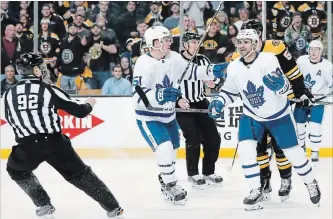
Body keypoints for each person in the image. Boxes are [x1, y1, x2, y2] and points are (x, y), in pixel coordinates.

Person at [208, 29, 321, 211]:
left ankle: (310, 182)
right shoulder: (234, 66)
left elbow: (283, 86)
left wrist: (284, 87)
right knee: (245, 150)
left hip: (279, 115)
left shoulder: (268, 59)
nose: (242, 46)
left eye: (246, 42)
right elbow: (229, 90)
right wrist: (219, 102)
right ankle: (255, 189)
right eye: (240, 42)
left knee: (294, 154)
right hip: (252, 116)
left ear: (255, 43)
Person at [2, 53, 123, 218]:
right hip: (54, 143)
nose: (45, 71)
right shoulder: (48, 89)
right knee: (81, 175)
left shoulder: (8, 94)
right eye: (42, 68)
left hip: (27, 146)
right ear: (36, 70)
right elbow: (79, 112)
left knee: (16, 170)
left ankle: (43, 205)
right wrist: (88, 105)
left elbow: (11, 119)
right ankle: (113, 208)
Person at [132, 26, 227, 205]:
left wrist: (212, 71)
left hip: (168, 116)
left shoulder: (174, 58)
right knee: (165, 148)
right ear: (155, 43)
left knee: (173, 149)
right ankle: (170, 184)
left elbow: (193, 71)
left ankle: (165, 177)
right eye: (166, 39)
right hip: (149, 117)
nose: (170, 42)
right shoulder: (143, 63)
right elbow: (138, 95)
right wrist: (158, 96)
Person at [231, 19, 314, 202]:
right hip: (256, 110)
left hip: (278, 103)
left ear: (259, 35)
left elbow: (292, 71)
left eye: (251, 35)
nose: (246, 41)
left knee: (281, 147)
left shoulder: (275, 48)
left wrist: (300, 92)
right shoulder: (241, 57)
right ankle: (264, 180)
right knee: (258, 148)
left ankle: (286, 180)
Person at [176, 32, 222, 188]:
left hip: (201, 101)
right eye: (193, 42)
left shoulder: (203, 59)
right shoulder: (176, 61)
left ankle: (208, 171)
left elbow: (212, 77)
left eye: (197, 42)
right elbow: (169, 82)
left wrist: (213, 82)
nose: (196, 45)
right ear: (185, 45)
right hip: (183, 104)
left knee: (213, 138)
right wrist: (177, 99)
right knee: (193, 138)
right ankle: (193, 174)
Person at [294, 40, 333, 162]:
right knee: (299, 127)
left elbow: (331, 85)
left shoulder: (327, 66)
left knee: (315, 127)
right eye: (311, 49)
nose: (314, 52)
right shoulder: (301, 61)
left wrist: (325, 95)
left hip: (318, 101)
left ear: (321, 51)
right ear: (308, 50)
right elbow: (294, 77)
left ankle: (315, 151)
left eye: (317, 50)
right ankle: (301, 148)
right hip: (302, 99)